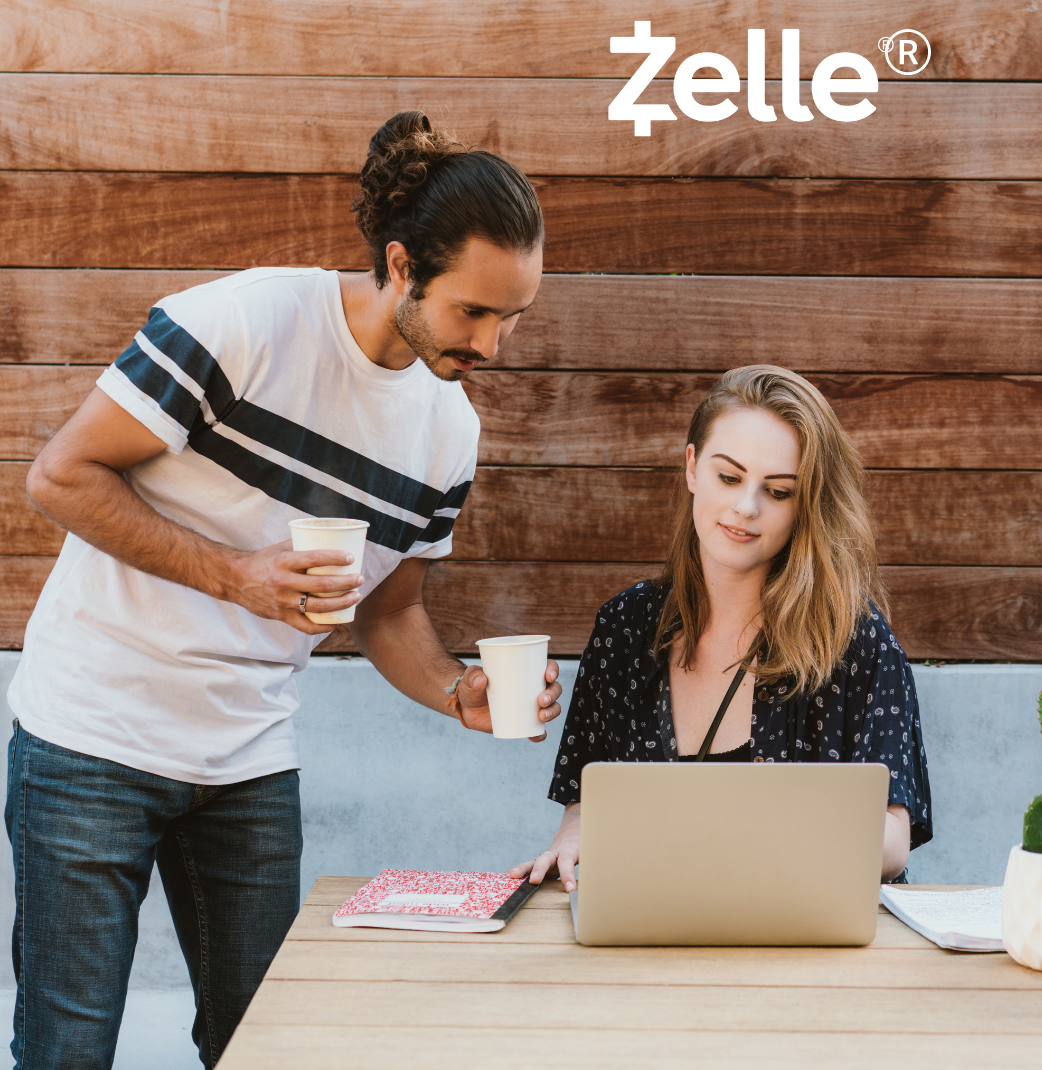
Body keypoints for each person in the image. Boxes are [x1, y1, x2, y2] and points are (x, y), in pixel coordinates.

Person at [6, 110, 562, 1070]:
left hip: (249, 758)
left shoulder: (446, 436)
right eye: (473, 312)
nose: (494, 344)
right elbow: (60, 477)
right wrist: (236, 576)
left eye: (513, 317)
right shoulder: (241, 323)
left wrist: (452, 691)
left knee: (263, 1048)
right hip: (91, 736)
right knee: (68, 1050)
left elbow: (391, 612)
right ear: (400, 266)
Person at [512, 364, 931, 893]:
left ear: (807, 505)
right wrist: (573, 838)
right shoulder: (624, 625)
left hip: (810, 935)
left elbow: (894, 841)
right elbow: (587, 801)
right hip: (655, 925)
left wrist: (760, 843)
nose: (745, 508)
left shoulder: (857, 640)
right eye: (728, 477)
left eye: (779, 492)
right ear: (692, 466)